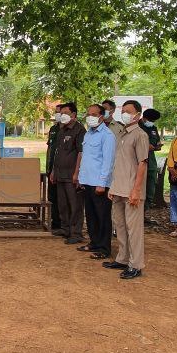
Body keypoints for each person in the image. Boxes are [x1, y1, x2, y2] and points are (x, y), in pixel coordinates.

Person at [105, 99, 150, 280]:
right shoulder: (122, 133)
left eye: (128, 111)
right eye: (123, 110)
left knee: (134, 230)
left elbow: (142, 164)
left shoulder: (140, 135)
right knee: (120, 226)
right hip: (119, 188)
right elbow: (119, 163)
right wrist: (113, 186)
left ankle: (136, 264)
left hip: (132, 190)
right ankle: (122, 259)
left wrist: (136, 190)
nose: (124, 114)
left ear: (138, 115)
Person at [74, 104, 115, 259]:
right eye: (88, 114)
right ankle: (94, 242)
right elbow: (86, 158)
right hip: (88, 181)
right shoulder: (88, 134)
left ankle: (104, 248)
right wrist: (81, 178)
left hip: (100, 183)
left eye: (94, 114)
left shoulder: (107, 135)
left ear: (101, 116)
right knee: (91, 215)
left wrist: (102, 183)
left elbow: (108, 161)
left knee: (102, 216)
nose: (90, 117)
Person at [49, 102, 85, 244]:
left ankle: (76, 233)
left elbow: (81, 153)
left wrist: (77, 173)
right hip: (60, 173)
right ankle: (65, 228)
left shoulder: (79, 130)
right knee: (62, 204)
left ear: (73, 115)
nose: (62, 116)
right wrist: (53, 171)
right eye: (61, 113)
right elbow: (57, 152)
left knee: (75, 205)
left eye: (65, 113)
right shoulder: (61, 130)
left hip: (72, 175)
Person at [139, 108, 163, 222]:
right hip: (138, 163)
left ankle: (143, 214)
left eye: (154, 121)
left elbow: (156, 141)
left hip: (151, 163)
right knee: (138, 190)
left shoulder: (153, 128)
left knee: (150, 191)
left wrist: (157, 146)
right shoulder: (136, 127)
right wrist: (145, 146)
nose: (152, 122)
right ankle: (136, 215)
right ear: (144, 118)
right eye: (150, 120)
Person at [45, 103, 65, 234]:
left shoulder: (71, 129)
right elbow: (50, 148)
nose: (57, 114)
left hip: (63, 170)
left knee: (63, 198)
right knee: (52, 197)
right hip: (51, 168)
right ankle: (55, 222)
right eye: (56, 112)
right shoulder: (53, 129)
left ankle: (65, 224)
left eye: (60, 112)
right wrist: (48, 167)